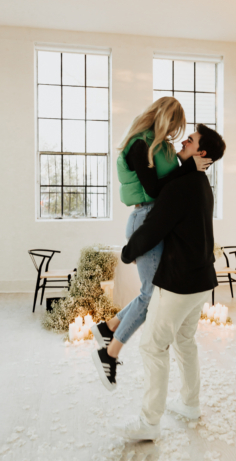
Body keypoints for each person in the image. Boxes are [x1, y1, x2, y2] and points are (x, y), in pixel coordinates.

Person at [112, 124, 227, 440]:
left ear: (200, 153)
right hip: (203, 280)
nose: (184, 140)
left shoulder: (182, 186)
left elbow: (153, 229)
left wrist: (127, 252)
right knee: (185, 342)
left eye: (190, 140)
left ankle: (148, 424)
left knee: (152, 346)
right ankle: (190, 404)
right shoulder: (201, 183)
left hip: (179, 284)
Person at [91, 98, 212, 390]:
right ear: (162, 118)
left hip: (153, 217)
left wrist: (186, 165)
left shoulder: (162, 147)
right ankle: (108, 353)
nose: (174, 132)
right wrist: (189, 167)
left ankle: (108, 328)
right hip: (145, 218)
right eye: (173, 125)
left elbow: (169, 185)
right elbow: (155, 188)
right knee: (150, 295)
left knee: (150, 293)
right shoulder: (138, 145)